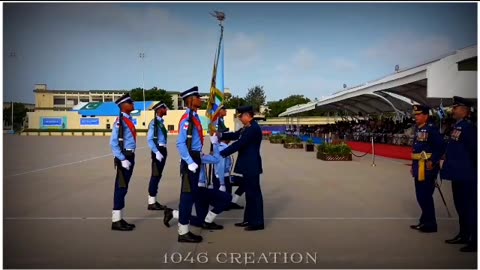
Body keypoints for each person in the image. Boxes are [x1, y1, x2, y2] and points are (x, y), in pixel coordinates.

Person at [163, 138, 231, 230]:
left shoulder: (185, 157)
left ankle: (173, 213)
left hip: (196, 189)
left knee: (200, 221)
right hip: (200, 190)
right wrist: (215, 144)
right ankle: (207, 221)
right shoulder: (196, 156)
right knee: (226, 198)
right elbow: (216, 160)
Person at [218, 105, 264, 231]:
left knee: (254, 195)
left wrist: (222, 153)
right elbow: (235, 135)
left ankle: (258, 222)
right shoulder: (247, 127)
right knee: (249, 195)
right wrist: (220, 135)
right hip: (247, 165)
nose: (240, 118)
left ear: (248, 117)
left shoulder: (253, 129)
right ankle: (248, 220)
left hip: (252, 166)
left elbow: (239, 143)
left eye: (241, 116)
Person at [441, 96, 477, 252]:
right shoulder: (458, 126)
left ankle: (475, 240)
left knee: (470, 208)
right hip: (457, 174)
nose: (453, 110)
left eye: (456, 107)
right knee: (460, 206)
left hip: (467, 175)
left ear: (465, 110)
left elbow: (475, 151)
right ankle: (463, 234)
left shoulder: (469, 128)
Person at [175, 86, 209, 243]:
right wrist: (189, 161)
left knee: (191, 195)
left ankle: (183, 226)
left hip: (195, 157)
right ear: (191, 100)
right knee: (187, 197)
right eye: (198, 97)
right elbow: (180, 143)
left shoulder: (194, 117)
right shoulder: (187, 118)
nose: (200, 99)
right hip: (191, 160)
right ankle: (183, 232)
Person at [410, 104, 445, 233]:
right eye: (415, 115)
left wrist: (433, 160)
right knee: (420, 195)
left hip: (427, 168)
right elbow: (417, 148)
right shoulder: (419, 128)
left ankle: (431, 224)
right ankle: (424, 221)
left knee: (425, 196)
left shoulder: (431, 129)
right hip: (418, 166)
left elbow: (441, 147)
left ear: (426, 115)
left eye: (419, 114)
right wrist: (413, 165)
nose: (416, 117)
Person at [110, 93, 137, 231]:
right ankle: (116, 221)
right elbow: (113, 143)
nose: (133, 104)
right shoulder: (120, 121)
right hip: (125, 157)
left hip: (129, 156)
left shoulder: (128, 119)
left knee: (123, 188)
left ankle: (119, 218)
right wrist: (122, 159)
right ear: (123, 106)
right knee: (121, 188)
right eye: (130, 103)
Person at [146, 101, 169, 211]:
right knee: (155, 175)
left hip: (162, 150)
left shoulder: (160, 122)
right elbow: (150, 140)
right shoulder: (154, 123)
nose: (166, 110)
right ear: (160, 110)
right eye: (165, 108)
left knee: (158, 175)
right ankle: (151, 202)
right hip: (158, 151)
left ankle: (153, 200)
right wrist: (156, 152)